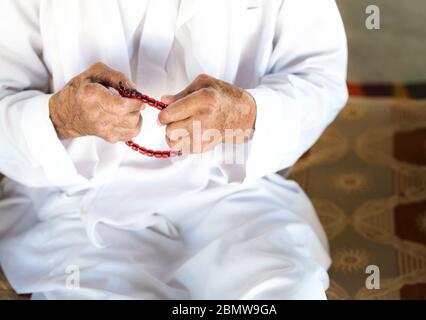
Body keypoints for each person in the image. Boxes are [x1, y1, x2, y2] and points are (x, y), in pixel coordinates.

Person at [0, 0, 348, 299]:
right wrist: (63, 117)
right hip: (74, 202)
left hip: (234, 194)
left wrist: (246, 114)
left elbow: (318, 77)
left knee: (283, 290)